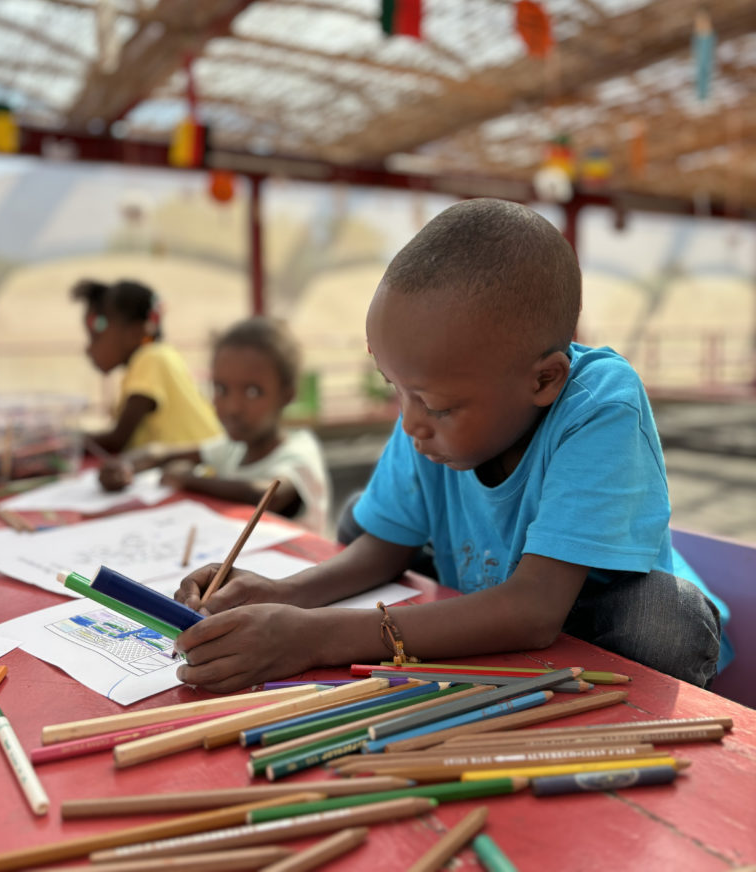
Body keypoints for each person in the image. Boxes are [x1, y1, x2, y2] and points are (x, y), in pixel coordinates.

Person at [173, 199, 722, 694]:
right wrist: (278, 596)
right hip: (500, 600)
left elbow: (534, 611)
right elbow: (382, 548)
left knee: (663, 619)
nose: (411, 423)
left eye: (436, 405)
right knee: (355, 527)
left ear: (544, 381)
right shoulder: (434, 400)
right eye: (396, 389)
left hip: (576, 612)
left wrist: (311, 638)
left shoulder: (601, 405)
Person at [99, 316, 331, 536]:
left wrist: (188, 479)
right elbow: (160, 453)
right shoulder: (233, 448)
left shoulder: (300, 452)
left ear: (286, 396)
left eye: (253, 392)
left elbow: (267, 494)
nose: (233, 407)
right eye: (221, 389)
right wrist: (124, 466)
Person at [72, 278, 221, 453]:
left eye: (95, 337)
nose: (88, 349)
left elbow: (117, 440)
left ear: (135, 332)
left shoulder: (151, 359)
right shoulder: (158, 356)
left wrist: (62, 442)